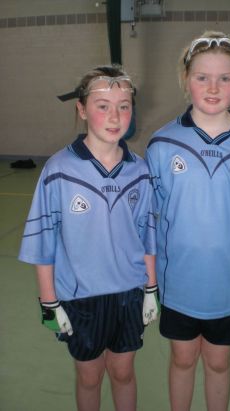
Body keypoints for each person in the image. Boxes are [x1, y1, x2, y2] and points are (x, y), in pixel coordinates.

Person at [19, 65, 159, 411]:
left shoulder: (139, 170)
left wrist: (151, 288)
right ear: (81, 109)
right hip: (80, 297)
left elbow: (148, 234)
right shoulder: (58, 170)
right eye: (102, 105)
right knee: (89, 377)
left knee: (124, 372)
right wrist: (49, 301)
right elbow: (43, 242)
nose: (115, 116)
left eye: (124, 105)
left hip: (128, 293)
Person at [145, 31, 230, 411]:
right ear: (186, 80)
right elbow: (154, 211)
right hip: (179, 279)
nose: (213, 87)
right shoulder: (162, 144)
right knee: (182, 359)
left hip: (228, 283)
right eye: (202, 77)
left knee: (218, 362)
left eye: (225, 78)